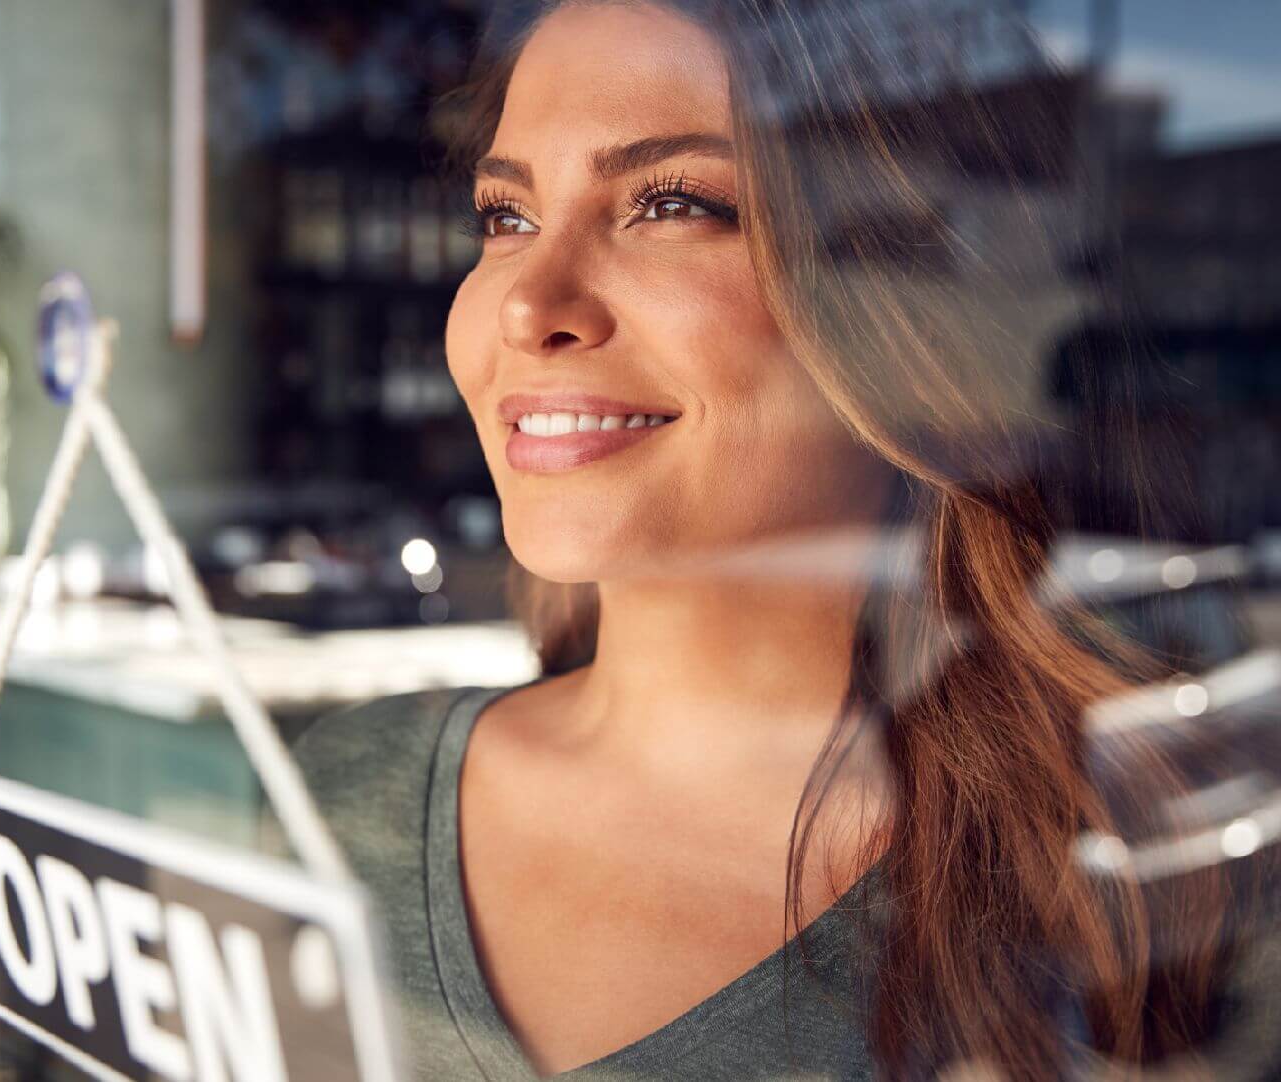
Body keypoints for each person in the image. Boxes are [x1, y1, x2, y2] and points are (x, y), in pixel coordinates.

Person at [293, 1, 1276, 1078]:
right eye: (507, 215)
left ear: (909, 303)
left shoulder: (1145, 881)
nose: (529, 305)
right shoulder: (339, 799)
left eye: (670, 203)